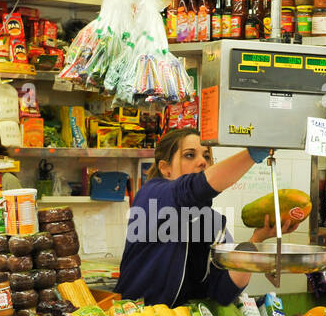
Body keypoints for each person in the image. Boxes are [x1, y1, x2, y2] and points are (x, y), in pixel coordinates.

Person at [116, 128, 302, 306]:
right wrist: (252, 154)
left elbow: (222, 293)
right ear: (165, 168)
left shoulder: (213, 223)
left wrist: (256, 242)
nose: (202, 162)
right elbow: (193, 189)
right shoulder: (151, 195)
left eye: (206, 156)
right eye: (190, 155)